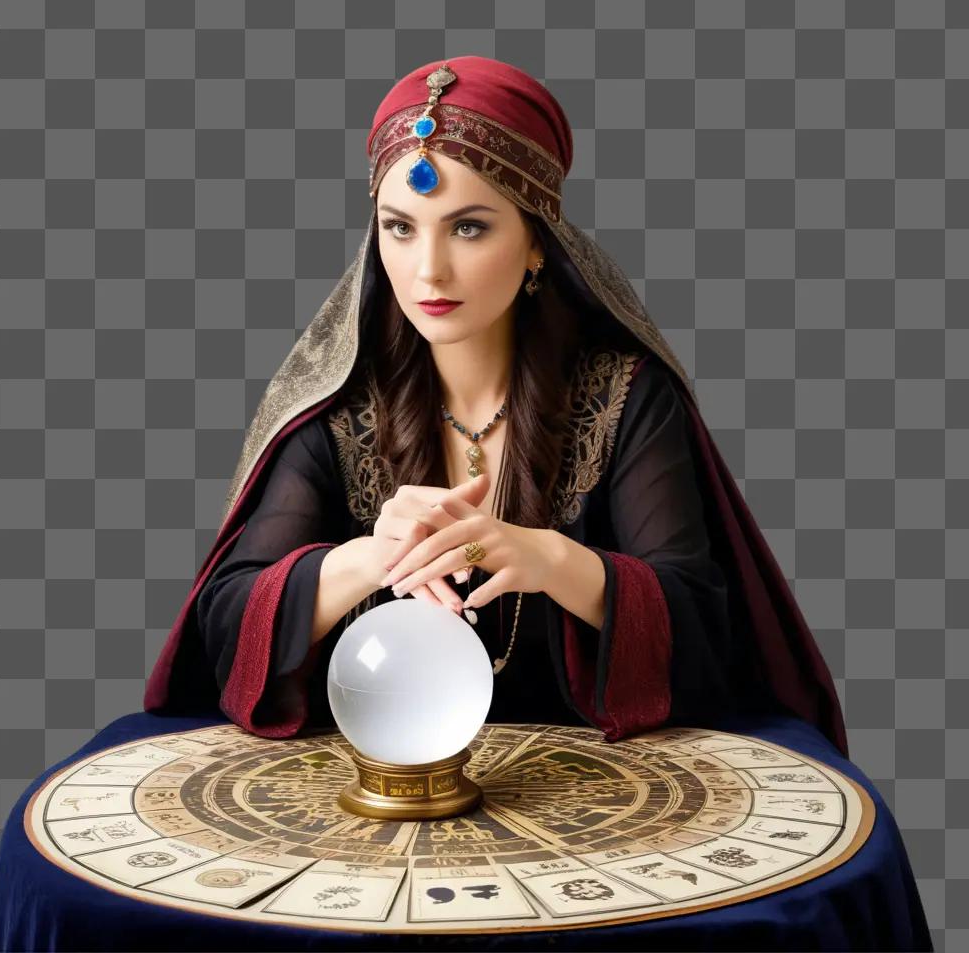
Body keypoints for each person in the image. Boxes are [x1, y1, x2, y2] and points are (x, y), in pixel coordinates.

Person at [143, 56, 848, 757]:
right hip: (373, 795)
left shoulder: (625, 398)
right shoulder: (337, 410)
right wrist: (369, 559)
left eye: (469, 227)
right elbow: (225, 633)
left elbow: (705, 637)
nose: (428, 270)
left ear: (537, 242)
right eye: (400, 227)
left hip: (587, 792)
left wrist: (554, 561)